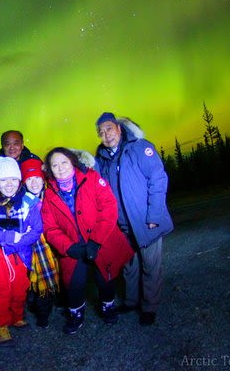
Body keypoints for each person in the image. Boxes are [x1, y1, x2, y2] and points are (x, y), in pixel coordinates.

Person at [41, 147, 134, 334]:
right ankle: (76, 314)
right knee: (74, 284)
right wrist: (68, 248)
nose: (60, 168)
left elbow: (108, 207)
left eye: (64, 162)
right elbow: (50, 228)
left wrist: (96, 241)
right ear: (50, 169)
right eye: (55, 165)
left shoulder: (90, 178)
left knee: (105, 277)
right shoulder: (49, 193)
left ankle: (107, 307)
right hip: (73, 245)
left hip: (99, 240)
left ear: (73, 161)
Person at [93, 112, 174, 326]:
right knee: (129, 265)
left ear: (119, 128)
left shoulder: (139, 148)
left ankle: (149, 307)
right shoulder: (102, 159)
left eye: (109, 128)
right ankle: (130, 301)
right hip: (122, 225)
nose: (106, 134)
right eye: (101, 132)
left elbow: (157, 179)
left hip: (146, 220)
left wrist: (154, 216)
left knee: (150, 265)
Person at [0, 156, 42, 346]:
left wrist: (18, 242)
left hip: (20, 250)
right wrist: (7, 238)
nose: (9, 184)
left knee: (20, 284)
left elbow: (36, 229)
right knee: (2, 286)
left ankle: (16, 315)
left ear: (19, 181)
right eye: (4, 180)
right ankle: (0, 323)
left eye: (13, 179)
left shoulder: (29, 202)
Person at [20, 157, 61, 329]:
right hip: (33, 247)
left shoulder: (51, 195)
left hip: (52, 244)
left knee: (54, 277)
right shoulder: (22, 201)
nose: (34, 182)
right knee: (35, 284)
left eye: (37, 177)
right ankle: (39, 312)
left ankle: (48, 311)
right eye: (29, 179)